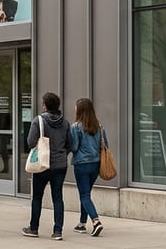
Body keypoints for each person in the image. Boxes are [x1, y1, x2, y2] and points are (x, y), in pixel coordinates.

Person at [22, 92, 73, 240]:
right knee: (58, 197)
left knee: (37, 197)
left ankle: (34, 228)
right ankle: (58, 231)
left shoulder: (38, 121)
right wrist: (61, 154)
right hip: (60, 165)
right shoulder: (65, 123)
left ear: (45, 105)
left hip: (42, 165)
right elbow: (70, 144)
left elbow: (31, 142)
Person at [69, 97, 106, 237]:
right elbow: (105, 145)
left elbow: (74, 146)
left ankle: (96, 221)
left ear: (80, 110)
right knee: (86, 194)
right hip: (96, 164)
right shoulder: (99, 126)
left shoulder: (76, 127)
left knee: (84, 195)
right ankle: (82, 223)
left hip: (81, 164)